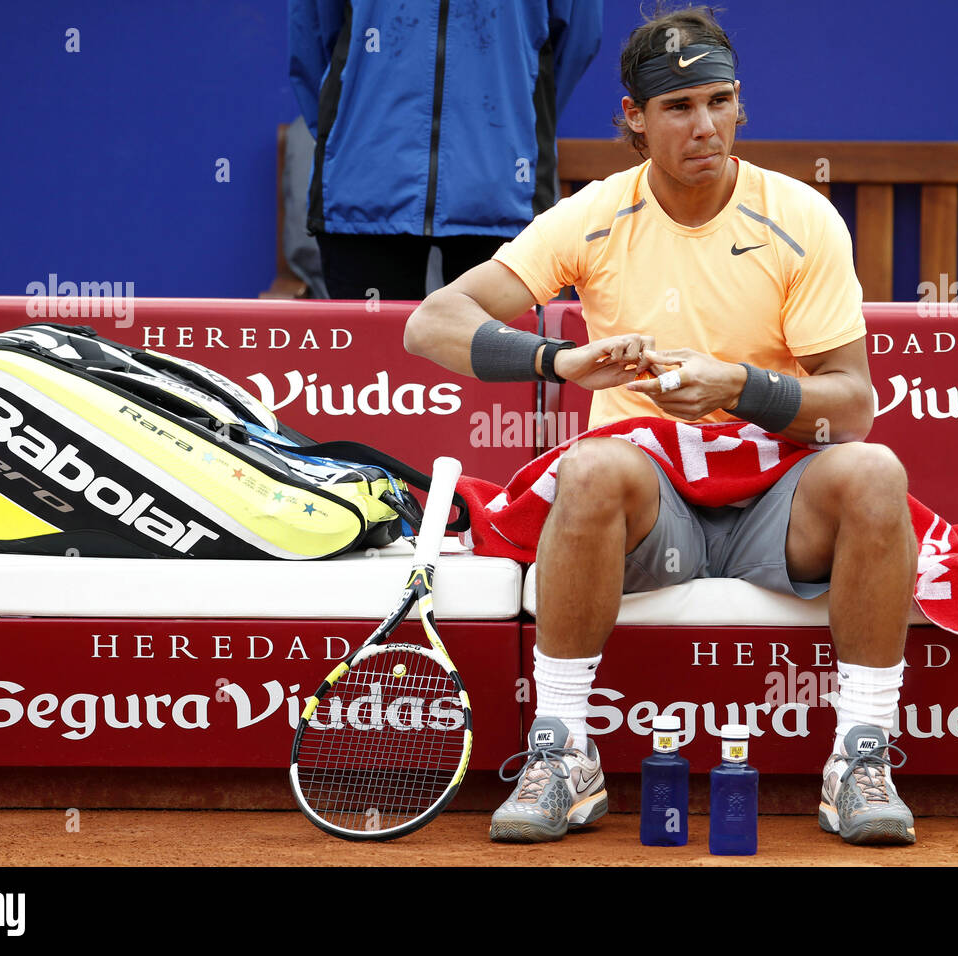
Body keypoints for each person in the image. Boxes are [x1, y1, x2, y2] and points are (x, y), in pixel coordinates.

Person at [404, 4, 919, 847]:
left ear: (740, 106)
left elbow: (853, 405)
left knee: (876, 471)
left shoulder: (801, 216)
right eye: (678, 108)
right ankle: (563, 749)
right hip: (652, 504)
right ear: (635, 121)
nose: (704, 125)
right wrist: (557, 362)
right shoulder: (595, 214)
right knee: (591, 468)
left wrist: (742, 387)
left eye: (719, 100)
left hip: (778, 500)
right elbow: (432, 321)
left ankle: (860, 757)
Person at [288, 0, 603, 300]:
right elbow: (312, 38)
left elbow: (578, 39)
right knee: (377, 355)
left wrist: (520, 115)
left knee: (497, 355)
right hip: (378, 189)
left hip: (490, 192)